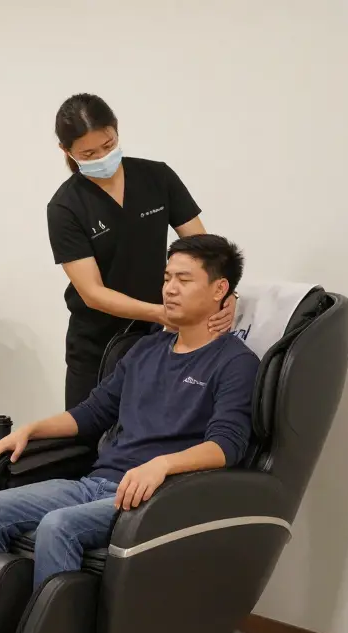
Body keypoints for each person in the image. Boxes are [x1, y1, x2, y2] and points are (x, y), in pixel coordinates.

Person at [0, 235, 259, 589]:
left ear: (219, 289)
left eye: (184, 280)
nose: (170, 289)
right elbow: (92, 413)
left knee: (59, 527)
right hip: (94, 484)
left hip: (151, 499)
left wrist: (162, 465)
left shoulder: (235, 362)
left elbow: (226, 446)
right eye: (167, 278)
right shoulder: (144, 350)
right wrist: (30, 429)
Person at [48, 94, 236, 410]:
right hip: (97, 344)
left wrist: (226, 294)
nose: (102, 157)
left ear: (117, 132)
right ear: (66, 152)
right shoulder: (66, 207)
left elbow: (206, 252)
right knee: (85, 444)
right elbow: (93, 293)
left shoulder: (156, 178)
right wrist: (160, 312)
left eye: (108, 146)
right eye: (89, 153)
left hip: (161, 339)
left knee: (153, 434)